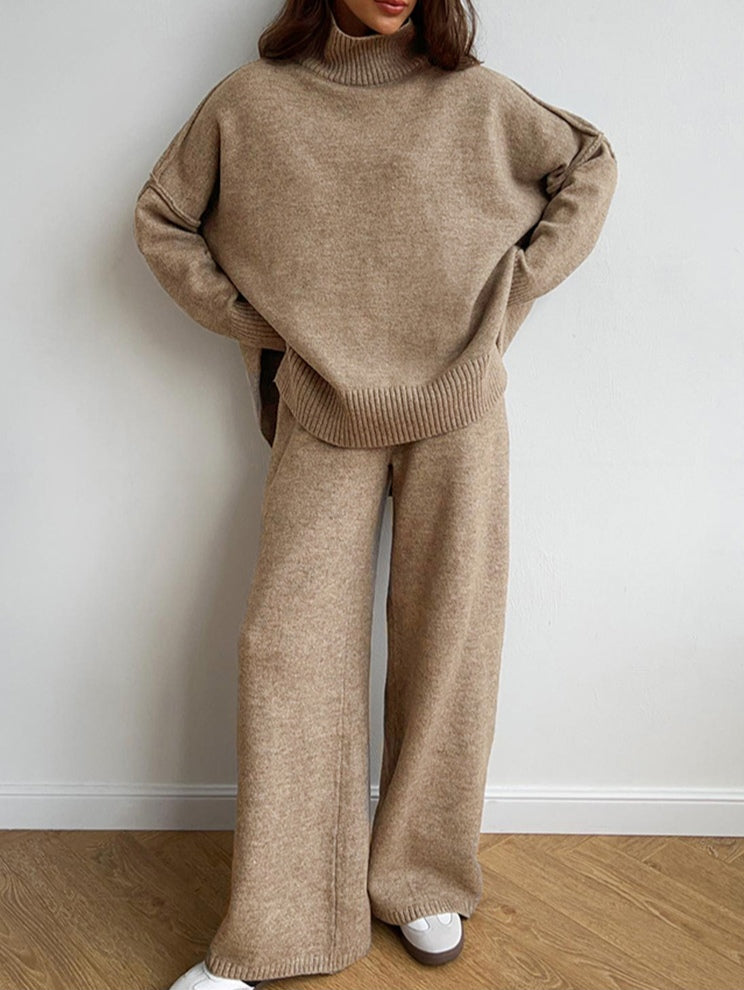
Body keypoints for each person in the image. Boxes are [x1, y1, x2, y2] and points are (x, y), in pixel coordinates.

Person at [133, 0, 618, 986]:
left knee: (450, 640)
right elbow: (163, 220)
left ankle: (420, 877)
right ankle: (279, 925)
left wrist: (512, 289)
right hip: (323, 406)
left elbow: (590, 163)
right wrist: (260, 323)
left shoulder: (477, 99)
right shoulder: (251, 105)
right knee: (288, 650)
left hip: (461, 409)